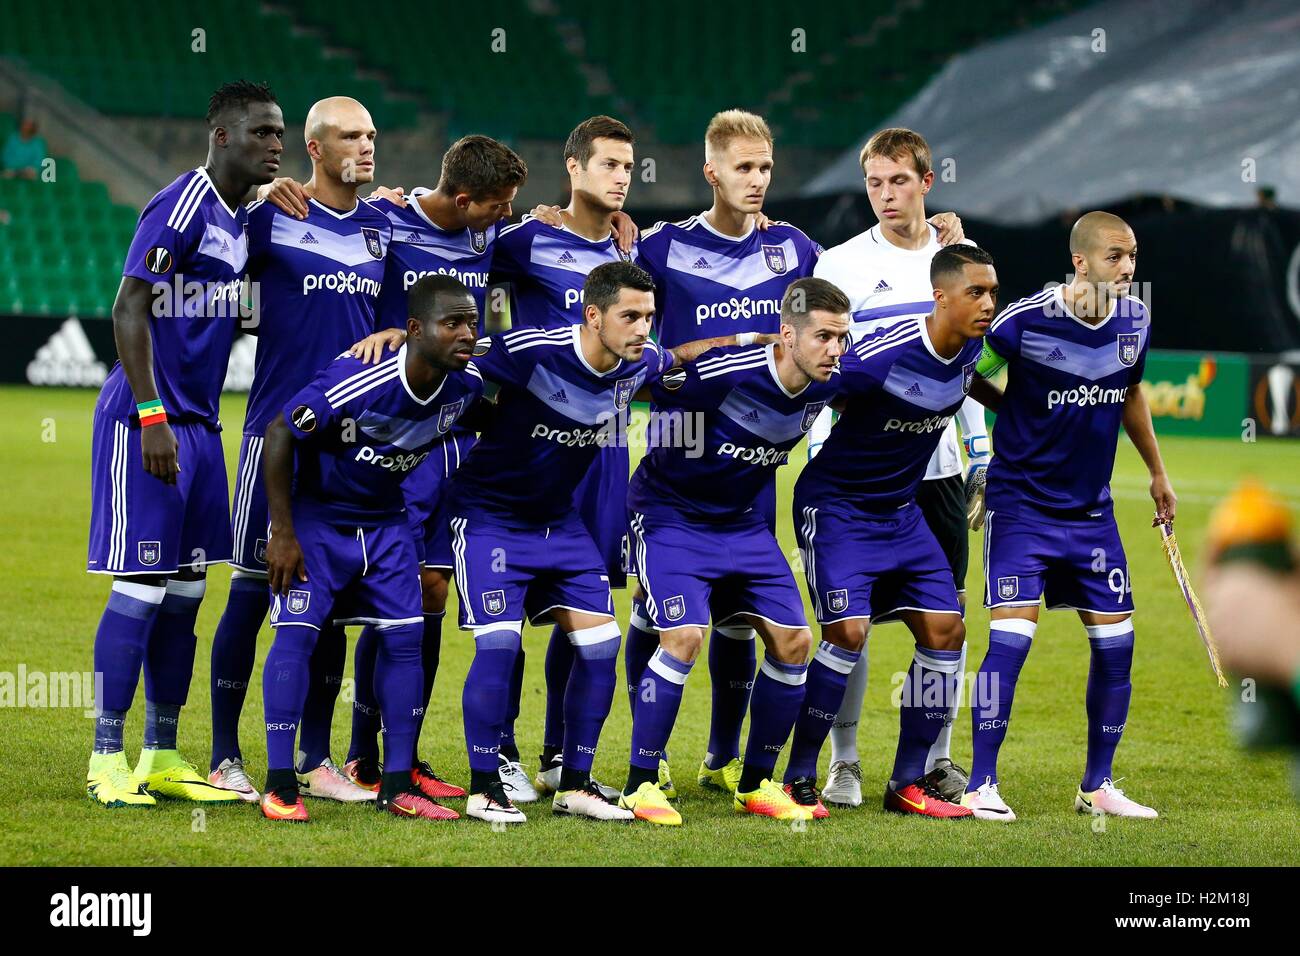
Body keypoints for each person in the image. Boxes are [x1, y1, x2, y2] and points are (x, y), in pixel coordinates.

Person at [446, 260, 764, 823]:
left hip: (560, 524)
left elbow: (682, 354)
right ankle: (483, 786)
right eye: (631, 316)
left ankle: (575, 782)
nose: (644, 328)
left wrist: (745, 338)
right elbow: (454, 357)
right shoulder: (532, 349)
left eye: (649, 316)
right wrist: (405, 341)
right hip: (490, 518)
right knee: (499, 644)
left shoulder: (635, 365)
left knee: (600, 647)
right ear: (593, 316)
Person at [84, 81, 283, 808]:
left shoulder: (242, 219)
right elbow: (128, 306)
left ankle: (161, 752)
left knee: (187, 596)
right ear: (223, 134)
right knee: (139, 588)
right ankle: (107, 757)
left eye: (281, 134)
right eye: (262, 132)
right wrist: (150, 414)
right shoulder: (183, 204)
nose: (275, 145)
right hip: (149, 425)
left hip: (203, 427)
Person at [207, 96, 391, 805]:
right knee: (254, 593)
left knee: (332, 605)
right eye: (351, 136)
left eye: (372, 135)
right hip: (273, 437)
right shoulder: (269, 216)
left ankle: (316, 758)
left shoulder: (383, 228)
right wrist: (255, 188)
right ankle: (226, 756)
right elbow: (207, 230)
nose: (366, 147)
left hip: (348, 448)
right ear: (314, 149)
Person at [962, 211, 1175, 821]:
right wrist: (1008, 408)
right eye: (1115, 256)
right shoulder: (1025, 320)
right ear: (1080, 262)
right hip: (1021, 505)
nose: (1128, 268)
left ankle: (1098, 786)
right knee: (1012, 641)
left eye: (1132, 256)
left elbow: (1131, 392)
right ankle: (981, 783)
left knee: (1117, 645)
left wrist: (1158, 472)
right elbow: (968, 368)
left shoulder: (1135, 319)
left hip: (1091, 515)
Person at [619, 277, 850, 824]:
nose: (835, 350)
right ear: (787, 336)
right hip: (668, 515)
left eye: (842, 337)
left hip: (742, 525)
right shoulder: (722, 375)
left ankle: (757, 783)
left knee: (795, 642)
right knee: (683, 635)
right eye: (823, 337)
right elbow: (642, 382)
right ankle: (640, 782)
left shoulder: (831, 381)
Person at [786, 244, 1002, 818]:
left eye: (992, 293)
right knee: (849, 635)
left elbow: (972, 378)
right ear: (941, 298)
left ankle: (909, 782)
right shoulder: (879, 357)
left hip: (900, 513)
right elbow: (808, 384)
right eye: (975, 293)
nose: (987, 304)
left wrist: (1015, 409)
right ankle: (800, 775)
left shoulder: (974, 347)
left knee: (945, 631)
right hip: (835, 507)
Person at [258, 274, 484, 822]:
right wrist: (282, 533)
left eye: (472, 322)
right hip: (320, 523)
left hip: (387, 525)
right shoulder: (360, 379)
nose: (466, 334)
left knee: (406, 642)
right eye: (452, 323)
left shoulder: (466, 386)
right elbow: (279, 432)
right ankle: (279, 782)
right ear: (413, 329)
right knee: (298, 637)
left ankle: (398, 782)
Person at [810, 128, 988, 807]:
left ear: (927, 181)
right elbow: (826, 365)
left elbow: (967, 367)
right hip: (857, 475)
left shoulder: (956, 258)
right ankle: (844, 761)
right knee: (845, 625)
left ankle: (934, 759)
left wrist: (981, 458)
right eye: (875, 183)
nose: (887, 195)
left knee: (945, 621)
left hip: (937, 472)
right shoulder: (843, 265)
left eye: (900, 182)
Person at [486, 116, 642, 800]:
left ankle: (558, 753)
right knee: (513, 602)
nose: (620, 177)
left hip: (605, 449)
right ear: (573, 168)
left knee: (586, 602)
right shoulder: (523, 241)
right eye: (607, 164)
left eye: (628, 168)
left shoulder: (634, 253)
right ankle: (501, 750)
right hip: (532, 447)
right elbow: (486, 311)